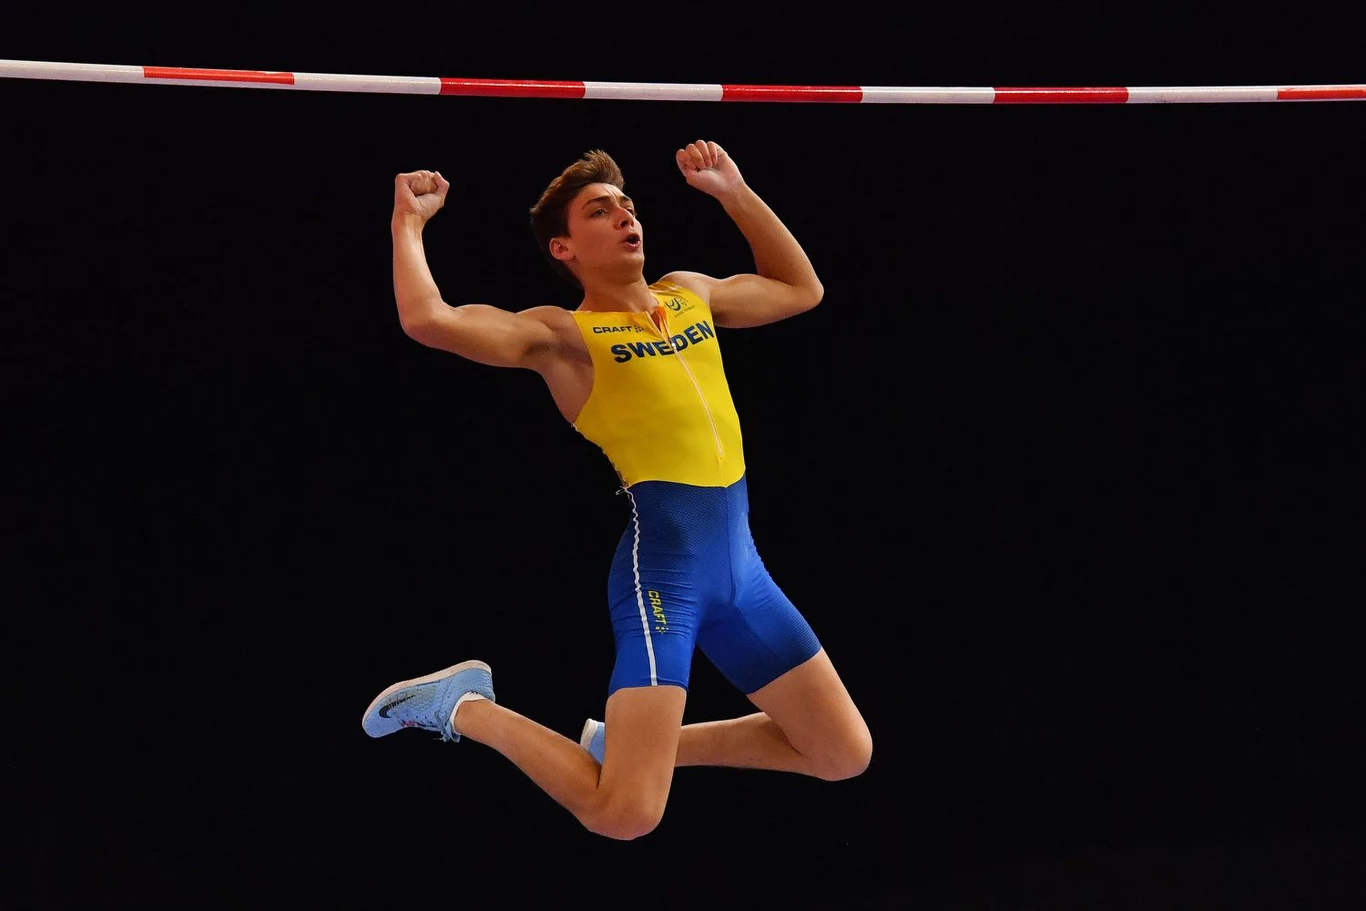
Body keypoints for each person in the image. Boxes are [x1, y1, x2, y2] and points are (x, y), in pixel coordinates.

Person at [363, 140, 872, 840]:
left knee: (841, 751)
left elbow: (800, 289)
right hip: (664, 577)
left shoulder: (689, 294)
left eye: (627, 204)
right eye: (600, 211)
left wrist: (734, 193)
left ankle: (625, 748)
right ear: (564, 248)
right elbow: (430, 319)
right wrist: (408, 223)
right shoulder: (565, 337)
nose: (625, 215)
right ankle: (466, 706)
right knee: (624, 814)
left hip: (743, 576)